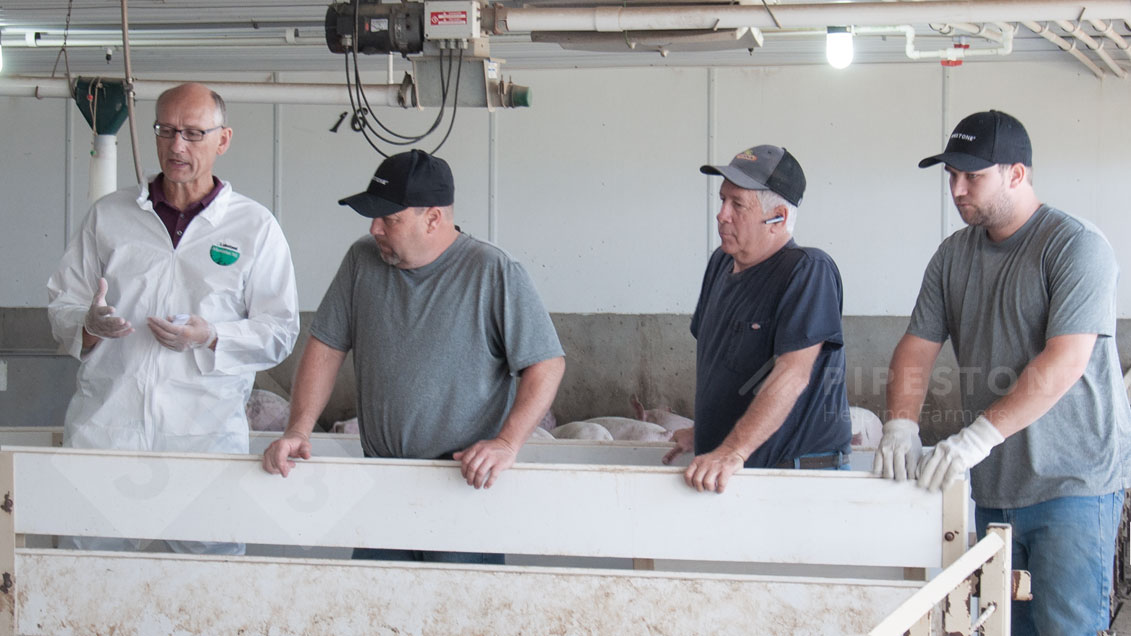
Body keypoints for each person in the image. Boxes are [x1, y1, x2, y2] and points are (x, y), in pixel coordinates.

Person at [873, 110, 1131, 634]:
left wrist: (974, 439)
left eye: (973, 176)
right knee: (1000, 625)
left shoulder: (1074, 245)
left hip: (1072, 485)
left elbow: (1065, 360)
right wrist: (900, 424)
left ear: (1016, 174)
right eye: (951, 176)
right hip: (992, 488)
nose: (957, 189)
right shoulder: (952, 256)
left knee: (1066, 627)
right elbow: (916, 348)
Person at [261, 149, 565, 564]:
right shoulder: (361, 261)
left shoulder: (492, 271)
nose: (375, 228)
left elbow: (546, 363)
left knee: (458, 615)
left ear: (433, 218)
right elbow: (326, 346)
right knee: (379, 611)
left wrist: (507, 443)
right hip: (383, 480)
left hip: (462, 486)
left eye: (390, 218)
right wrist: (298, 430)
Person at [46, 82, 300, 555]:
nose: (177, 146)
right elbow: (63, 305)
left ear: (223, 140)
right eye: (166, 131)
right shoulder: (109, 216)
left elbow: (280, 332)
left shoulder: (254, 227)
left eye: (193, 133)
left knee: (205, 585)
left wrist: (212, 336)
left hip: (204, 437)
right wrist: (88, 324)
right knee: (87, 580)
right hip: (108, 429)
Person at [662, 145, 852, 493]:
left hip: (794, 478)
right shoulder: (720, 264)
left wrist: (733, 448)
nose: (722, 215)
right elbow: (722, 367)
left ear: (777, 218)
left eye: (737, 205)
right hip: (732, 472)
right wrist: (707, 432)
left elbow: (792, 374)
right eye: (722, 200)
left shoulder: (808, 271)